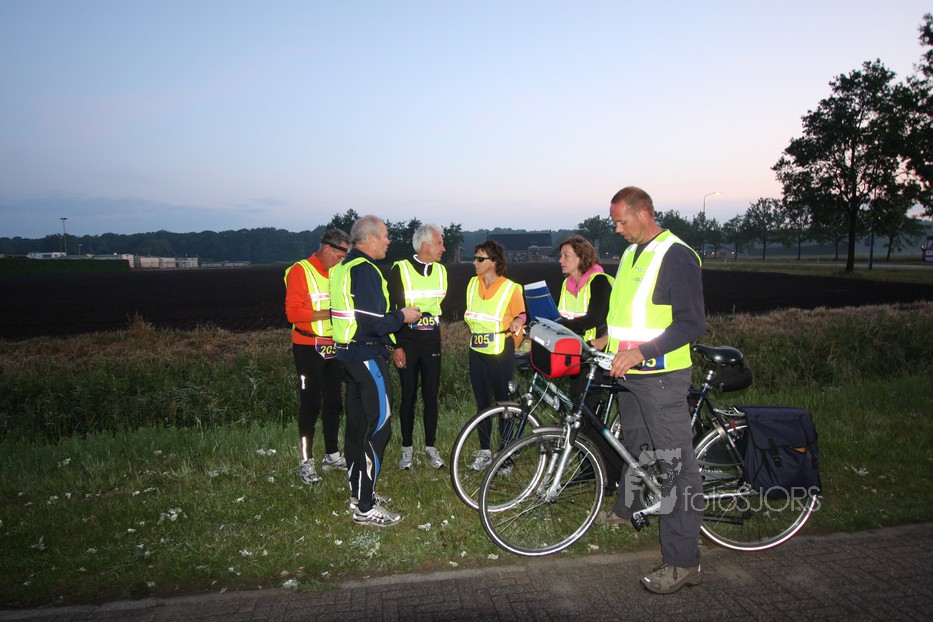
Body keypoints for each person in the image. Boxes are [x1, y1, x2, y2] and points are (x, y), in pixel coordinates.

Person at [596, 186, 707, 595]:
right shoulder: (630, 254)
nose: (617, 229)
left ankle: (684, 561)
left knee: (675, 467)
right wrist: (605, 341)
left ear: (643, 214)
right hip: (628, 372)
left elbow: (692, 322)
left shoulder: (675, 254)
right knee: (635, 446)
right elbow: (628, 316)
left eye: (621, 221)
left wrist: (641, 352)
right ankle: (627, 510)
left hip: (660, 376)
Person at [329, 215, 421, 527]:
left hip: (347, 354)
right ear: (369, 239)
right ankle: (366, 508)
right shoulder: (366, 270)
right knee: (380, 427)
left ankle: (358, 494)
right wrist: (402, 316)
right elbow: (373, 323)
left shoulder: (343, 267)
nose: (388, 241)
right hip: (366, 356)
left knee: (357, 427)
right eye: (385, 236)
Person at [552, 235, 622, 489]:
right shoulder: (567, 284)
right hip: (579, 357)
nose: (561, 260)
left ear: (581, 257)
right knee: (580, 416)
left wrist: (558, 325)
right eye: (561, 256)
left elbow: (593, 318)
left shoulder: (599, 281)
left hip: (600, 359)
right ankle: (590, 469)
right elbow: (564, 316)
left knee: (588, 419)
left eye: (566, 256)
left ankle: (615, 473)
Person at [284, 228, 350, 485]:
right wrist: (329, 313)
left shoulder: (336, 271)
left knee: (334, 402)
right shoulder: (300, 271)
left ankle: (332, 454)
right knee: (310, 404)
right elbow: (293, 313)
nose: (340, 261)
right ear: (327, 248)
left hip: (333, 345)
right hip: (307, 346)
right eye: (339, 256)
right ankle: (306, 461)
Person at [388, 224, 448, 470]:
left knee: (431, 395)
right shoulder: (400, 269)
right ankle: (407, 449)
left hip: (431, 338)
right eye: (440, 243)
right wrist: (396, 346)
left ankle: (431, 447)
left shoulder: (442, 271)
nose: (443, 248)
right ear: (425, 245)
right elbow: (392, 310)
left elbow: (439, 305)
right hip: (407, 340)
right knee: (408, 394)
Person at [464, 240, 526, 471]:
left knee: (504, 404)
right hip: (477, 349)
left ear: (494, 262)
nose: (475, 262)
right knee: (482, 403)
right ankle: (484, 452)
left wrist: (518, 321)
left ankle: (505, 455)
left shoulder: (511, 288)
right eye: (475, 258)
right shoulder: (472, 284)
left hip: (501, 350)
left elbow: (521, 315)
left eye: (480, 259)